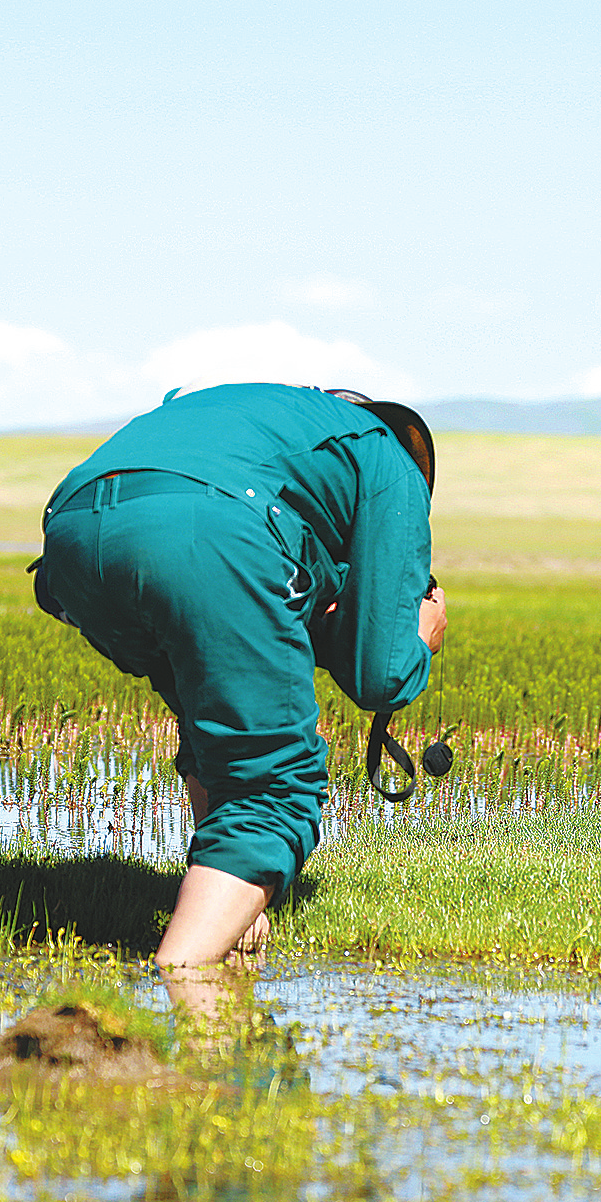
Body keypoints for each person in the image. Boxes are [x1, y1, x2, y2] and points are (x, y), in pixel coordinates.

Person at [36, 380, 447, 1024]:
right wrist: (419, 638)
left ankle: (231, 894)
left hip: (73, 539)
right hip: (213, 526)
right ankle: (183, 994)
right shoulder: (389, 456)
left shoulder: (266, 421)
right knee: (275, 789)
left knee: (217, 720)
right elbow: (379, 677)